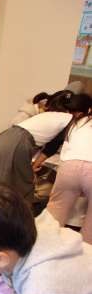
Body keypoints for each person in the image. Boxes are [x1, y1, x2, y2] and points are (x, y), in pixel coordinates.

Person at [0, 90, 78, 210]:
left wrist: (34, 165)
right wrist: (34, 165)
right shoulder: (69, 119)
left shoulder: (50, 115)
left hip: (4, 138)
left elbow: (50, 146)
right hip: (18, 143)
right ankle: (17, 217)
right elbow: (52, 147)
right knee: (22, 187)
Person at [47, 94, 92, 243]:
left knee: (56, 209)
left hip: (69, 166)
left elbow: (64, 152)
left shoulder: (73, 125)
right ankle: (86, 251)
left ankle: (46, 242)